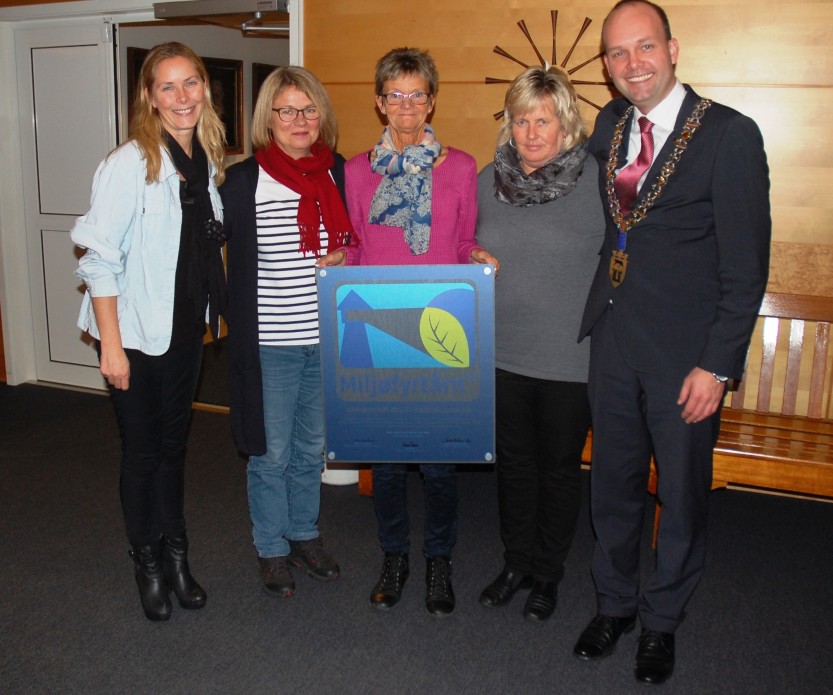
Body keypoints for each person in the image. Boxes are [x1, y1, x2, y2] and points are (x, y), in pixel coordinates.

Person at [572, 0, 771, 684]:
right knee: (611, 487)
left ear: (672, 48)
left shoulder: (727, 135)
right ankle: (614, 603)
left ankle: (660, 622)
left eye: (644, 47)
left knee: (680, 496)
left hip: (686, 357)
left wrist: (716, 365)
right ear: (604, 66)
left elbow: (745, 268)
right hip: (613, 340)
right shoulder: (606, 125)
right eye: (617, 54)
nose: (632, 64)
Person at [317, 47, 498, 617]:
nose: (406, 106)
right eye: (395, 95)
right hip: (378, 331)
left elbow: (463, 240)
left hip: (441, 327)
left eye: (417, 94)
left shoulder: (462, 167)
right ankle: (394, 556)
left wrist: (479, 256)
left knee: (441, 465)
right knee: (388, 462)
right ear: (379, 102)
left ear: (432, 100)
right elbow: (355, 243)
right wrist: (338, 259)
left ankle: (438, 562)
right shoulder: (353, 171)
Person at [71, 42, 228, 621]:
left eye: (191, 83)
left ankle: (178, 554)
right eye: (168, 86)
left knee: (173, 449)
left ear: (205, 89)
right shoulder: (130, 163)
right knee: (142, 454)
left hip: (183, 330)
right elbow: (97, 258)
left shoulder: (204, 161)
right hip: (133, 333)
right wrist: (110, 345)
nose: (182, 96)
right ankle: (149, 563)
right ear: (149, 96)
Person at [474, 66, 604, 623]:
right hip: (501, 353)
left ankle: (547, 574)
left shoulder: (598, 181)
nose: (531, 132)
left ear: (565, 123)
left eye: (543, 120)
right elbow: (462, 242)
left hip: (569, 359)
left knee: (557, 468)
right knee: (515, 467)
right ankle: (516, 563)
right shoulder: (486, 180)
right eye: (521, 119)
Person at [221, 67, 347, 598]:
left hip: (326, 341)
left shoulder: (339, 171)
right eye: (287, 110)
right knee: (270, 452)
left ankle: (303, 535)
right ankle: (271, 547)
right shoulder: (244, 181)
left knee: (310, 448)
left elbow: (360, 241)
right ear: (268, 118)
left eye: (309, 109)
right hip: (269, 342)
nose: (300, 120)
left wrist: (345, 253)